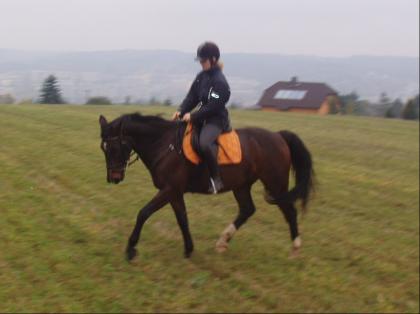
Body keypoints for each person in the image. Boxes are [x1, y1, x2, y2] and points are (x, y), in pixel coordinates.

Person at [172, 41, 231, 194]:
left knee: (204, 143)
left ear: (213, 60)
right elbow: (192, 97)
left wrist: (193, 116)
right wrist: (181, 110)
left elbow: (213, 106)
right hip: (200, 118)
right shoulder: (201, 77)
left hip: (215, 120)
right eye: (200, 61)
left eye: (203, 61)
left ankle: (216, 179)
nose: (201, 64)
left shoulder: (220, 82)